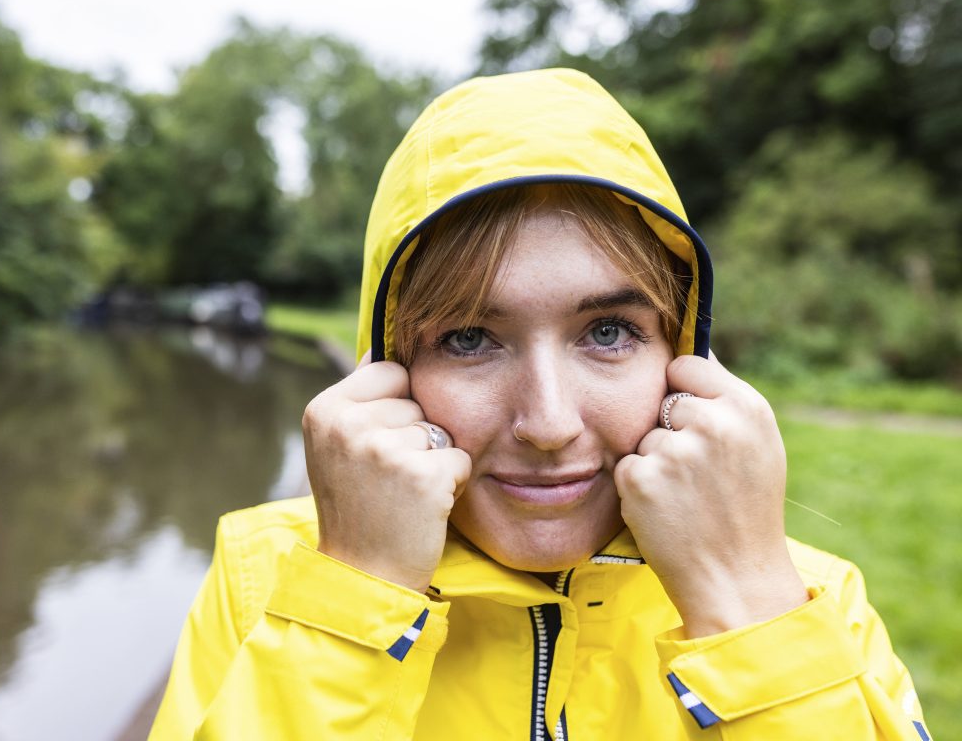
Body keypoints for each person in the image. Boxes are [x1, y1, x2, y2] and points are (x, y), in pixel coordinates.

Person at [150, 69, 932, 739]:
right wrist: (353, 604)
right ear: (385, 368)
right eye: (468, 339)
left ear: (685, 352)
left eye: (609, 331)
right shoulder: (268, 580)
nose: (551, 424)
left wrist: (751, 618)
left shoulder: (805, 598)